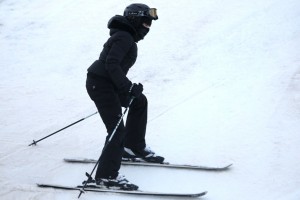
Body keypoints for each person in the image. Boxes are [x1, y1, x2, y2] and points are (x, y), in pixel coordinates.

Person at [85, 3, 164, 190]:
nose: (148, 28)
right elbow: (111, 64)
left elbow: (114, 67)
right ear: (135, 19)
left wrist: (129, 89)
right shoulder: (124, 37)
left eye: (150, 24)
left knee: (139, 101)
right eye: (145, 23)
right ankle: (106, 177)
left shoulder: (126, 37)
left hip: (107, 83)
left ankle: (131, 147)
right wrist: (127, 87)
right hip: (101, 85)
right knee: (116, 129)